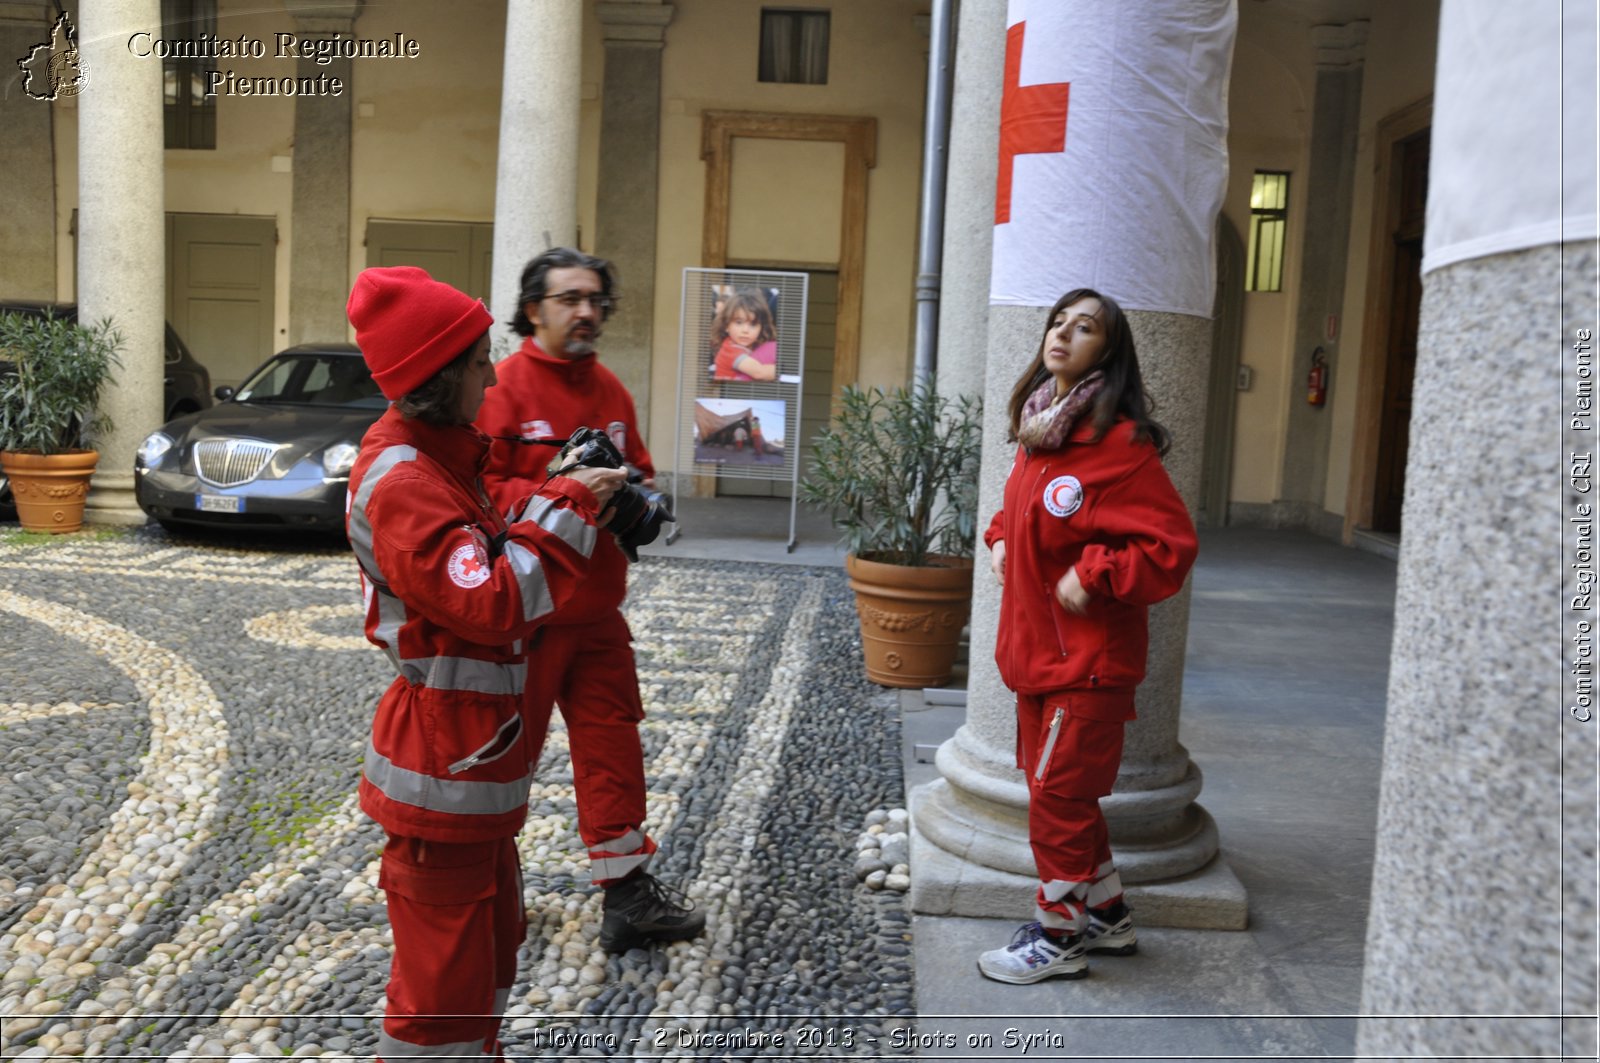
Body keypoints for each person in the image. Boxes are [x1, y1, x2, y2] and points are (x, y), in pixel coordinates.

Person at [344, 266, 626, 1060]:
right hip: (443, 773)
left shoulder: (439, 461)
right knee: (439, 1002)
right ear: (439, 380)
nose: (492, 374)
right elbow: (496, 595)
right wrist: (567, 499)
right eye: (476, 362)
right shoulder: (402, 480)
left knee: (482, 969)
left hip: (472, 771)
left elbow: (490, 540)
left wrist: (561, 492)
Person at [474, 247, 706, 953]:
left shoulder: (609, 389)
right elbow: (478, 497)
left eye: (596, 299)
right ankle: (481, 894)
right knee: (506, 755)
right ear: (534, 309)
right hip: (529, 615)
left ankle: (629, 896)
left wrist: (638, 500)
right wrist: (562, 486)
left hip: (598, 609)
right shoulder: (501, 390)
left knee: (614, 746)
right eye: (571, 298)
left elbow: (637, 469)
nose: (586, 312)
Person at [978, 288, 1198, 985]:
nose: (1063, 334)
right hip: (1037, 657)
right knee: (1065, 794)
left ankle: (1059, 938)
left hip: (1089, 664)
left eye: (1086, 328)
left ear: (1110, 349)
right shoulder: (1041, 427)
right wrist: (999, 539)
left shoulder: (1120, 444)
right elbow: (1018, 513)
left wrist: (1095, 573)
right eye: (1057, 322)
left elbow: (1170, 547)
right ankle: (1105, 916)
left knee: (1057, 801)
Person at [710, 287, 778, 381]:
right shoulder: (730, 351)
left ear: (761, 328)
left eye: (753, 324)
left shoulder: (751, 345)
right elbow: (759, 373)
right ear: (726, 325)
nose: (745, 330)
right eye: (739, 322)